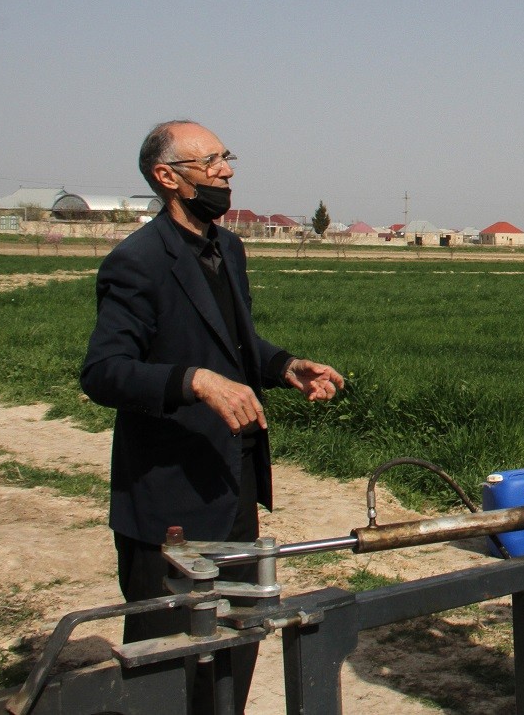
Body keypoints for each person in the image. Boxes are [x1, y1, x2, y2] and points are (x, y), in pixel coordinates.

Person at [82, 120, 345, 714]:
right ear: (167, 178)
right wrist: (192, 381)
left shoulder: (227, 248)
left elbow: (233, 340)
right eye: (210, 163)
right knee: (170, 670)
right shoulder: (137, 263)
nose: (226, 171)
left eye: (227, 158)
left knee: (237, 648)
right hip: (168, 500)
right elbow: (102, 371)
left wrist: (282, 367)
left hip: (232, 483)